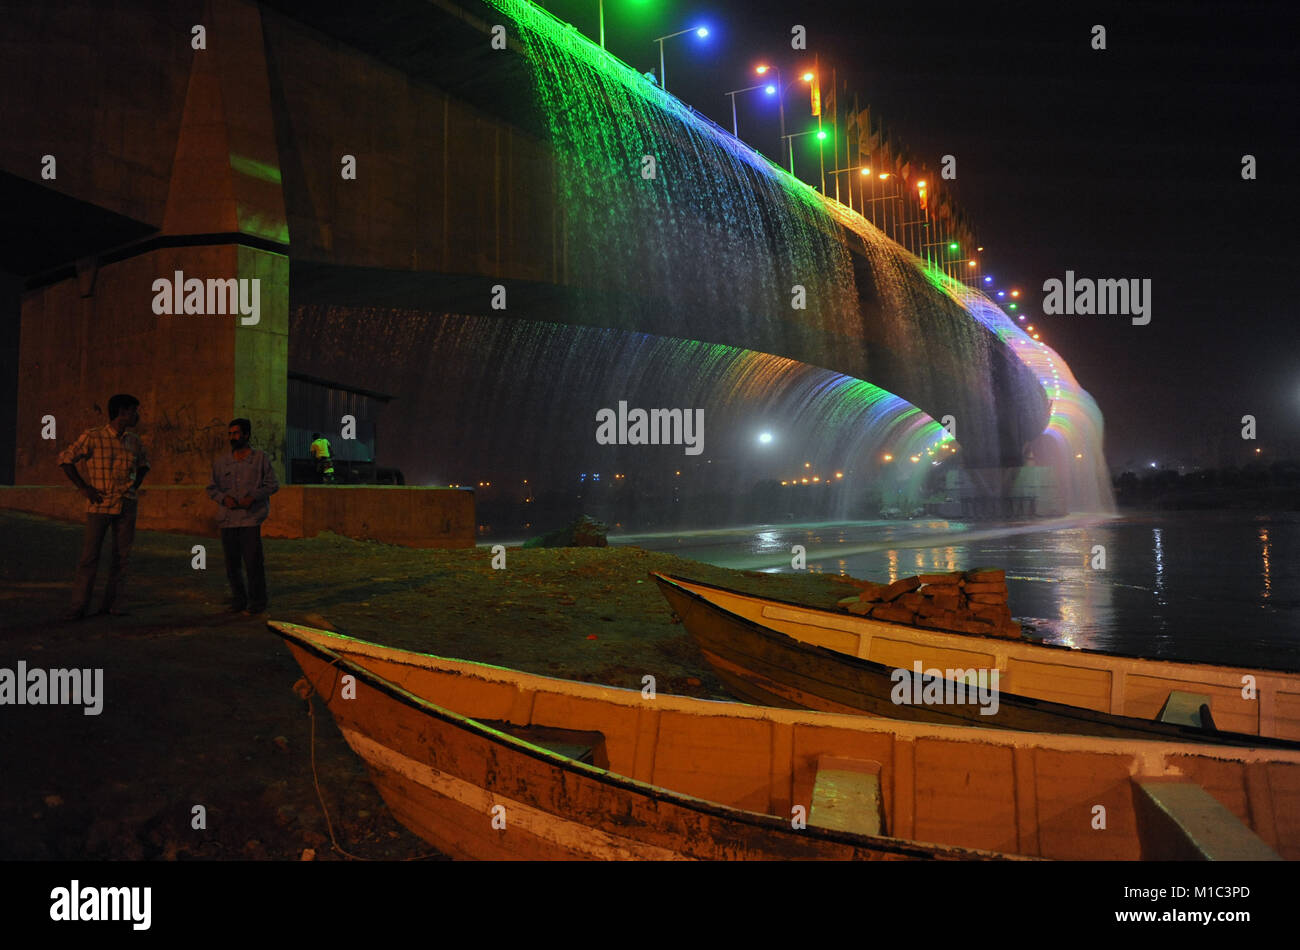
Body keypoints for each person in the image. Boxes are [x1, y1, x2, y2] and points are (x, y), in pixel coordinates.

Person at [57, 394, 150, 620]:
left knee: (122, 557)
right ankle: (79, 607)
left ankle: (113, 605)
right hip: (99, 507)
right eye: (134, 411)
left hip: (125, 505)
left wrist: (133, 487)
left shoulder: (134, 441)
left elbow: (144, 465)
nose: (137, 415)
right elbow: (65, 459)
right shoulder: (93, 436)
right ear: (123, 412)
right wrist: (84, 487)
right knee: (90, 557)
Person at [206, 418, 279, 614]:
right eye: (230, 434)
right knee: (232, 564)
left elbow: (272, 484)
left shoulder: (260, 459)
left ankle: (257, 602)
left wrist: (253, 497)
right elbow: (211, 488)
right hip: (228, 520)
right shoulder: (222, 462)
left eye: (236, 433)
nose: (232, 437)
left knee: (253, 562)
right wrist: (223, 499)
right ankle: (238, 600)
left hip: (250, 519)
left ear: (246, 435)